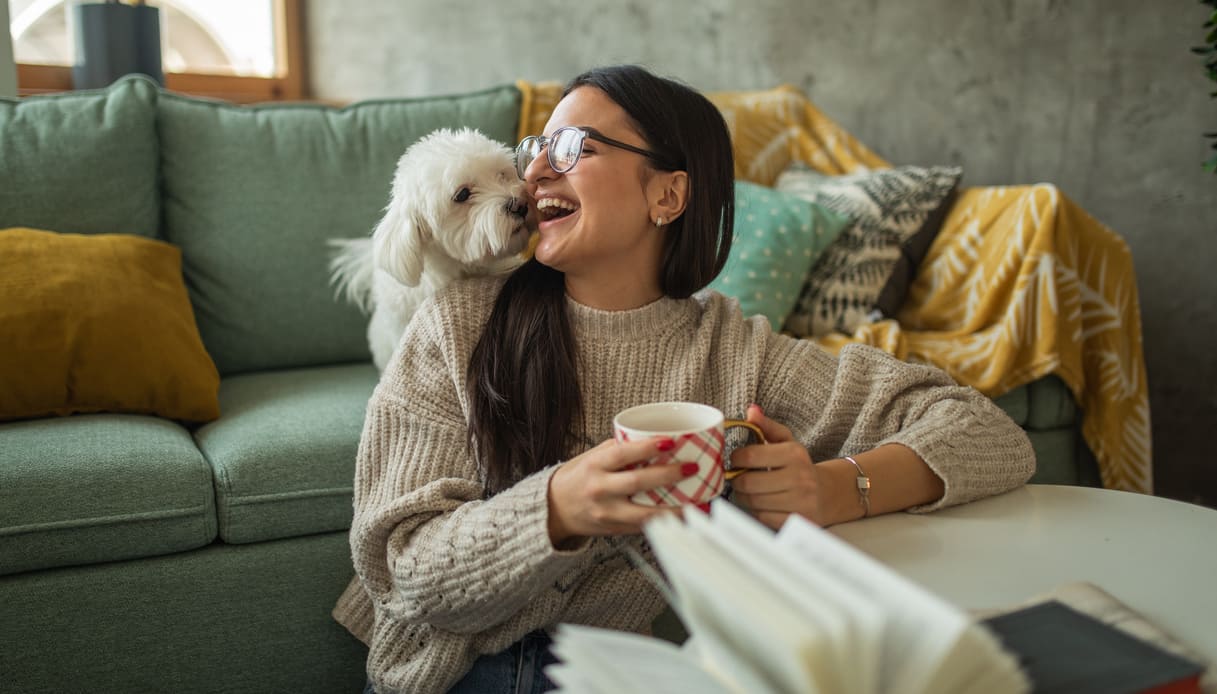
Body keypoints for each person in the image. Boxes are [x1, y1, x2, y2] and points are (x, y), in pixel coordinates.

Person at [332, 64, 1035, 694]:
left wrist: (830, 487)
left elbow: (985, 434)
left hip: (613, 669)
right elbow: (401, 573)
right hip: (449, 674)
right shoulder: (457, 325)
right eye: (536, 148)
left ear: (667, 196)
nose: (537, 170)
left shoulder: (734, 351)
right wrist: (556, 507)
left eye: (574, 147)